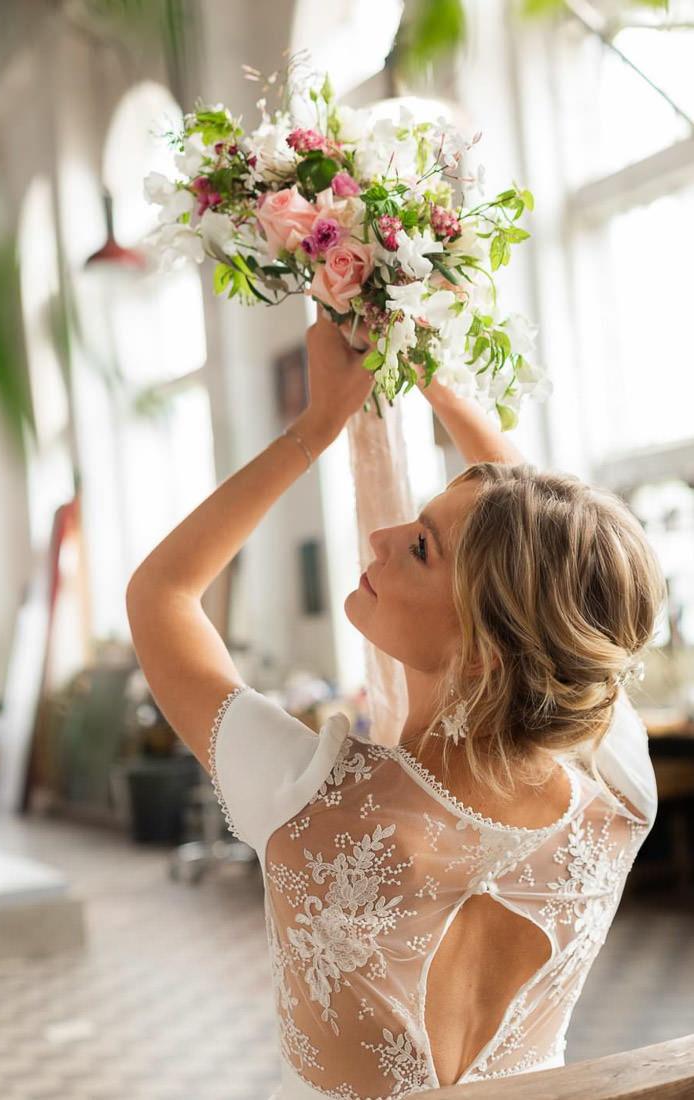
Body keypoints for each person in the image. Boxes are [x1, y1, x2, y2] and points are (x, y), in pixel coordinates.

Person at [126, 311, 666, 1098]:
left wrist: (318, 423)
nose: (380, 537)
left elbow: (161, 594)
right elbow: (557, 564)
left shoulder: (306, 797)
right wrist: (438, 384)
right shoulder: (620, 799)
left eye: (419, 546)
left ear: (484, 644)